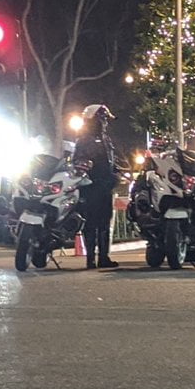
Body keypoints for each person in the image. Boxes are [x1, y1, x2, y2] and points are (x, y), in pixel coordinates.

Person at [74, 104, 120, 268]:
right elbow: (79, 164)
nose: (105, 122)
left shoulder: (105, 139)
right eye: (103, 118)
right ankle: (91, 259)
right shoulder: (84, 140)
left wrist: (115, 174)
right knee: (92, 222)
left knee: (104, 223)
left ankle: (103, 257)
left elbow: (111, 163)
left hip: (105, 187)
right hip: (91, 187)